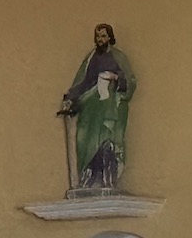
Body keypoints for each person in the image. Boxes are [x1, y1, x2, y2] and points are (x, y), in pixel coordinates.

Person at [58, 23, 136, 192]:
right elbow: (83, 81)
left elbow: (129, 81)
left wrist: (115, 78)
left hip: (109, 109)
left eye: (103, 36)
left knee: (107, 141)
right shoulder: (92, 57)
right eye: (97, 36)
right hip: (91, 109)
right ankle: (88, 175)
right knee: (85, 138)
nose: (99, 39)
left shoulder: (118, 57)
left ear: (109, 37)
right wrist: (71, 98)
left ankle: (108, 177)